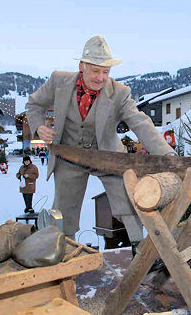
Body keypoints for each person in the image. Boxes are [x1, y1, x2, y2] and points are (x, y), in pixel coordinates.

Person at [26, 35, 174, 254]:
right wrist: (39, 127)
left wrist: (168, 156)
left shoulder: (120, 93)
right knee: (65, 211)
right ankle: (65, 254)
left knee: (129, 199)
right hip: (69, 156)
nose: (101, 77)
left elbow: (141, 123)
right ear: (81, 66)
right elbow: (34, 104)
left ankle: (139, 248)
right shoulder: (59, 81)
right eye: (95, 71)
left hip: (107, 156)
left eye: (106, 72)